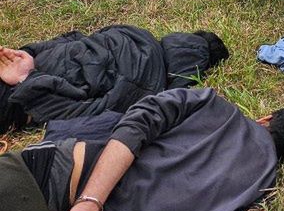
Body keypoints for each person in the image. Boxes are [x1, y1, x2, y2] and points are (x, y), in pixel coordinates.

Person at [0, 87, 284, 211]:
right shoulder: (259, 194)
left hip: (49, 175)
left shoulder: (214, 105)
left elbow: (140, 120)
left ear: (265, 119)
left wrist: (88, 203)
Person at [0, 25, 229, 133]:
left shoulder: (128, 32)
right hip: (21, 88)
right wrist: (25, 75)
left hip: (19, 85)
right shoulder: (143, 90)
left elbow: (73, 39)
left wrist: (27, 55)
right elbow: (82, 114)